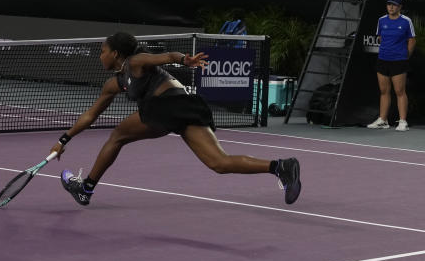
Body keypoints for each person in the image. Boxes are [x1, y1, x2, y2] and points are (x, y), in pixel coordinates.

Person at [54, 32, 302, 206]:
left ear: (116, 53)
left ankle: (86, 189)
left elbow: (165, 56)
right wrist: (64, 139)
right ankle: (280, 166)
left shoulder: (135, 61)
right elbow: (91, 115)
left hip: (165, 108)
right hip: (186, 107)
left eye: (103, 51)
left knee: (117, 136)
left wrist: (184, 59)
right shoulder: (114, 83)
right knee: (219, 163)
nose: (100, 56)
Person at [367, 0, 415, 132]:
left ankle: (403, 121)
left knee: (399, 91)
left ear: (399, 7)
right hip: (383, 60)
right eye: (389, 4)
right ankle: (383, 120)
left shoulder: (406, 21)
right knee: (384, 91)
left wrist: (405, 56)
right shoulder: (381, 20)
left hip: (399, 61)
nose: (391, 7)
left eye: (394, 5)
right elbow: (381, 38)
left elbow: (411, 41)